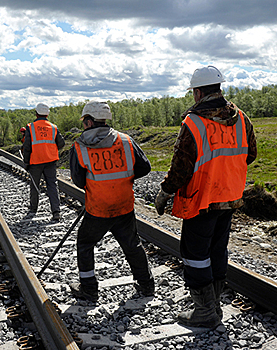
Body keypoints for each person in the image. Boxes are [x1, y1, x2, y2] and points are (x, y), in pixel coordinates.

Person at [154, 65, 257, 328]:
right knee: (217, 250)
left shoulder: (195, 121)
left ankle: (205, 312)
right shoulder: (242, 118)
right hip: (230, 196)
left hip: (202, 199)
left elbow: (182, 166)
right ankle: (216, 306)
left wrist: (165, 192)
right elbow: (251, 154)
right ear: (219, 88)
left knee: (195, 254)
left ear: (198, 93)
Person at [68, 100, 154, 302]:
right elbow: (145, 168)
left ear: (89, 122)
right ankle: (147, 285)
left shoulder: (79, 146)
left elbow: (79, 180)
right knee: (132, 245)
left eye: (84, 121)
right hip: (124, 206)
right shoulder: (125, 141)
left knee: (85, 244)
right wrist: (122, 179)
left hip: (98, 209)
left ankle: (89, 289)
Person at [22, 103, 65, 221]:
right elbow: (61, 143)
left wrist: (26, 162)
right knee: (52, 185)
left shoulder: (30, 127)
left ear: (36, 114)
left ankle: (33, 209)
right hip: (50, 161)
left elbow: (27, 147)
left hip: (35, 161)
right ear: (47, 114)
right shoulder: (53, 127)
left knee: (35, 185)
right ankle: (56, 212)